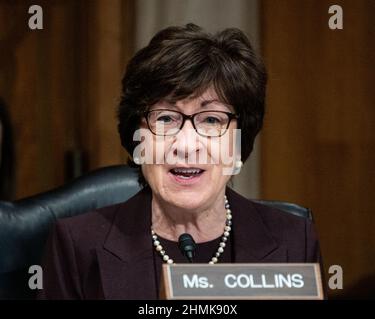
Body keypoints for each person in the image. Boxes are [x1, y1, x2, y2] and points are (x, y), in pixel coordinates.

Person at [38, 24, 323, 299]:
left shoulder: (294, 241)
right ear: (138, 138)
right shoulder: (77, 244)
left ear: (239, 141)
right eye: (165, 119)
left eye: (212, 120)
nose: (186, 146)